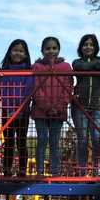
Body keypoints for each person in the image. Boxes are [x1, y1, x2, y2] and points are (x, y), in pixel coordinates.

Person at [71, 34, 100, 174]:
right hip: (80, 106)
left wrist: (96, 64)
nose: (88, 47)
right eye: (85, 44)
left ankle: (99, 168)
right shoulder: (77, 62)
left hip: (97, 106)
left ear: (96, 47)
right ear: (81, 47)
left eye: (91, 45)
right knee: (83, 140)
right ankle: (82, 169)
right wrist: (97, 66)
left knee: (98, 139)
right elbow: (81, 67)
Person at [31, 37, 73, 177]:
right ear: (42, 50)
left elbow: (68, 87)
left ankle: (55, 172)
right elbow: (36, 87)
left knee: (55, 141)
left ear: (59, 49)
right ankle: (40, 171)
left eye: (54, 48)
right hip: (40, 111)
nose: (51, 51)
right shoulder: (37, 67)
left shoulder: (66, 67)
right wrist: (47, 106)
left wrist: (59, 107)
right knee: (42, 139)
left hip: (58, 112)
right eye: (48, 48)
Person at [1, 39, 34, 177]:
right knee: (8, 141)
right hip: (7, 110)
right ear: (9, 52)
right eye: (15, 50)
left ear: (26, 54)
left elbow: (29, 90)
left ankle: (21, 170)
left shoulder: (29, 71)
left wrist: (21, 108)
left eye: (21, 51)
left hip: (23, 111)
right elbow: (3, 89)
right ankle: (7, 169)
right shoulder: (4, 70)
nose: (18, 53)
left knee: (21, 141)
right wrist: (9, 109)